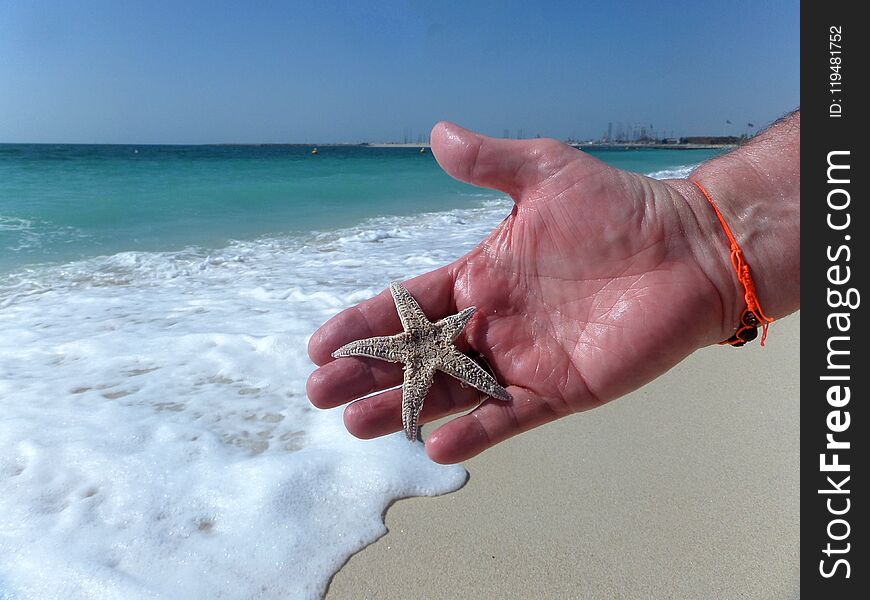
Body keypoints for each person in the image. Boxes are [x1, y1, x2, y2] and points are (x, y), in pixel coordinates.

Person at [306, 111, 800, 464]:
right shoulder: (435, 332)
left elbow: (449, 329)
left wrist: (704, 236)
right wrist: (704, 236)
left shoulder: (446, 328)